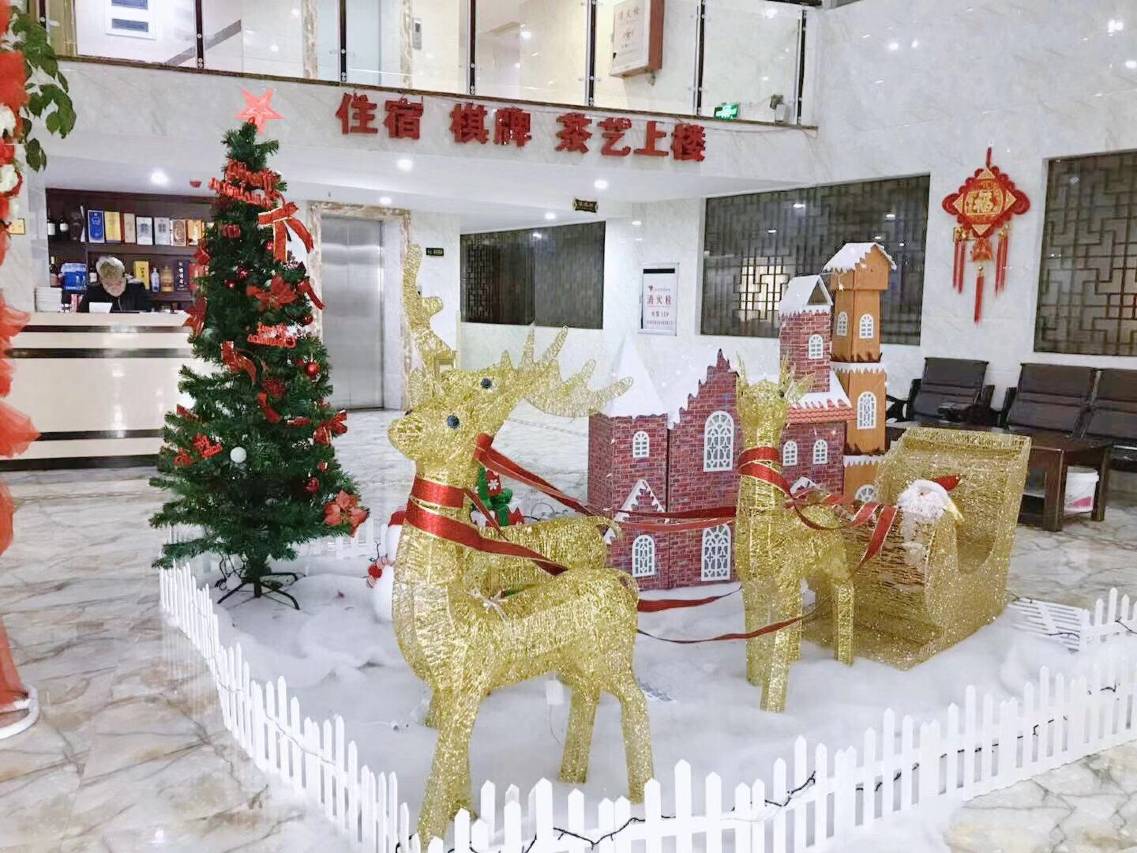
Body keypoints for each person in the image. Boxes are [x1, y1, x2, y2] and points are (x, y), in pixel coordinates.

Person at [79, 256, 151, 313]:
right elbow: (81, 317)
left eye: (119, 283)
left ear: (124, 277)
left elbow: (146, 316)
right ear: (101, 281)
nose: (114, 287)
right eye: (109, 284)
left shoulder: (137, 287)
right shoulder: (93, 291)